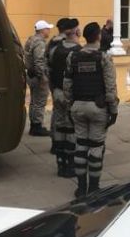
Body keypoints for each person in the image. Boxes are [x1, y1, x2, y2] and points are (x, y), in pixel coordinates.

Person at [63, 21, 118, 198]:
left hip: (77, 106)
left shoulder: (73, 56)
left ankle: (80, 187)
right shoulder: (104, 57)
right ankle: (93, 187)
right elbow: (110, 87)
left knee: (81, 145)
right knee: (95, 147)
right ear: (99, 37)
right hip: (98, 107)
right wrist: (114, 110)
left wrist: (70, 105)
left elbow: (67, 84)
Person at [47, 18, 80, 178]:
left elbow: (49, 68)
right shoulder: (78, 51)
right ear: (76, 32)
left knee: (60, 126)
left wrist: (53, 89)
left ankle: (60, 163)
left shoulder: (55, 48)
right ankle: (70, 164)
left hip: (57, 91)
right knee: (71, 128)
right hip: (72, 95)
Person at [24, 19, 54, 136]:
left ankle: (34, 125)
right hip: (38, 76)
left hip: (31, 75)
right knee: (40, 101)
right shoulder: (40, 43)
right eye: (48, 29)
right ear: (42, 30)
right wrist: (43, 77)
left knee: (33, 101)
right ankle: (37, 126)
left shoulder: (31, 40)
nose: (49, 31)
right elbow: (39, 61)